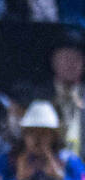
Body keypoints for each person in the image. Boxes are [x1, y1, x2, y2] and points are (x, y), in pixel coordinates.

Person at [42, 29, 85, 157]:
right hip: (49, 167)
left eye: (77, 58)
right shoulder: (36, 96)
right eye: (65, 57)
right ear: (54, 61)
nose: (71, 63)